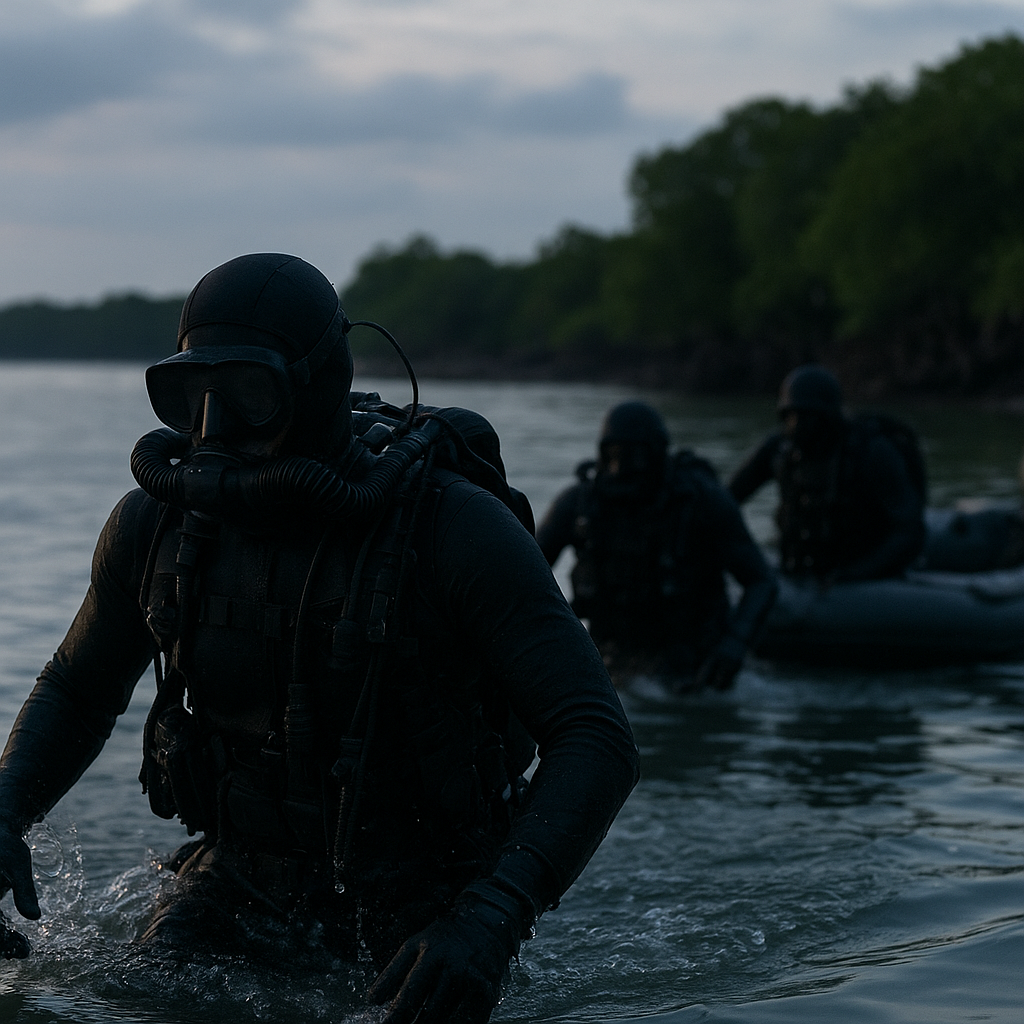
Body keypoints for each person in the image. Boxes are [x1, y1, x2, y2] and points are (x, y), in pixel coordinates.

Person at [0, 254, 640, 1021]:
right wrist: (5, 810)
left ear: (315, 385)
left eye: (248, 394)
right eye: (189, 396)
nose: (215, 429)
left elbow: (595, 736)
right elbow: (78, 690)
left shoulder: (454, 530)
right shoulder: (156, 527)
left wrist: (491, 919)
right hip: (239, 876)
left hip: (430, 891)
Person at [536, 401, 778, 691]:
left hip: (694, 661)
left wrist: (734, 646)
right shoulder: (579, 504)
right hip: (611, 657)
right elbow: (521, 580)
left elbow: (761, 580)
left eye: (636, 455)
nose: (624, 467)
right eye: (615, 454)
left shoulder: (700, 500)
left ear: (658, 453)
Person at [728, 364, 926, 583]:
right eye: (790, 416)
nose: (797, 426)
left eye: (806, 416)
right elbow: (727, 499)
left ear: (828, 417)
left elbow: (909, 529)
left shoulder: (871, 452)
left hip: (862, 573)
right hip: (801, 568)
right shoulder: (779, 449)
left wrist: (856, 574)